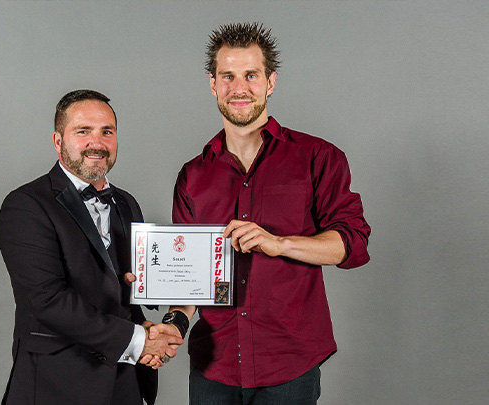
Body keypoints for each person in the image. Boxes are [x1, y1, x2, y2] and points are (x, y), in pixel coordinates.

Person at [159, 23, 371, 404]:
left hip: (288, 364)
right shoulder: (193, 176)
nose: (239, 88)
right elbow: (189, 277)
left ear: (270, 82)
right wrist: (174, 324)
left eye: (251, 75)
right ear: (213, 84)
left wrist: (280, 243)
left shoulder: (318, 157)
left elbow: (352, 244)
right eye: (228, 76)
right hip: (214, 365)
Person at [0, 89, 182, 405]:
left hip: (124, 382)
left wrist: (147, 327)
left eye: (106, 132)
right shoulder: (25, 205)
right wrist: (139, 340)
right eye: (83, 131)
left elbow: (123, 292)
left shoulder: (126, 204)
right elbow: (48, 300)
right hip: (55, 386)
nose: (97, 143)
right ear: (58, 141)